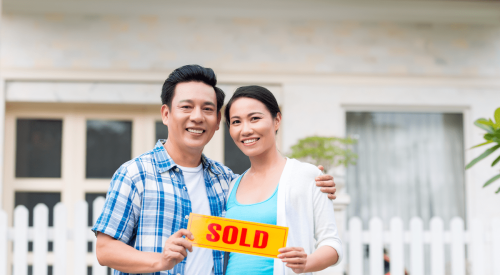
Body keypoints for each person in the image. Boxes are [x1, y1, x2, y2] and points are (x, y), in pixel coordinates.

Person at [92, 64, 338, 275]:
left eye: (208, 109)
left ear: (218, 122)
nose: (197, 117)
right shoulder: (136, 174)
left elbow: (267, 197)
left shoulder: (225, 181)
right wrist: (160, 261)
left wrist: (310, 179)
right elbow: (105, 250)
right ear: (166, 114)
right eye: (186, 107)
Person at [223, 85, 342, 275]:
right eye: (236, 121)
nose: (245, 130)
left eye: (255, 118)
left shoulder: (306, 176)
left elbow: (332, 243)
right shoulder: (231, 186)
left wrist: (307, 263)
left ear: (276, 120)